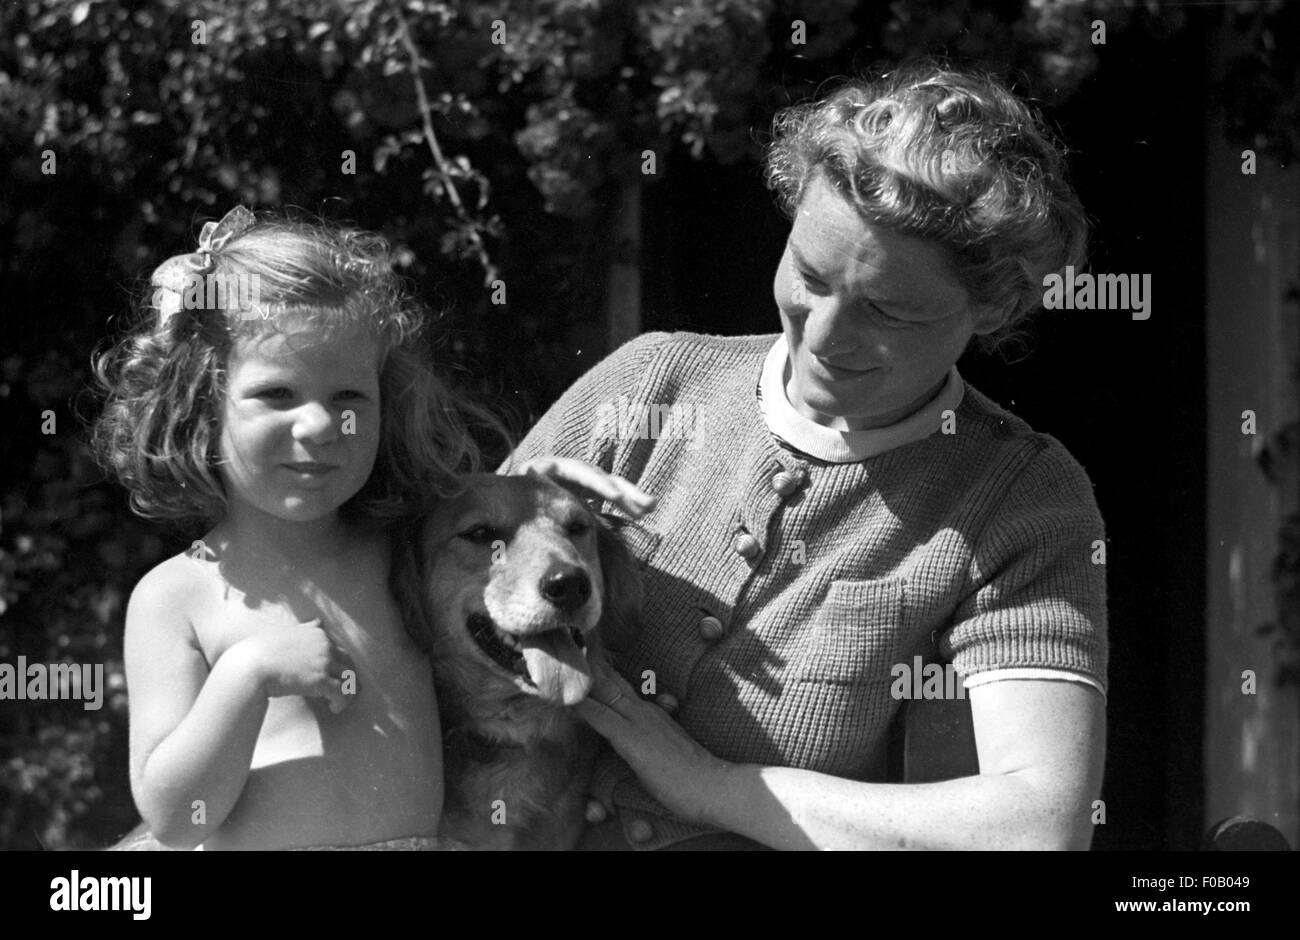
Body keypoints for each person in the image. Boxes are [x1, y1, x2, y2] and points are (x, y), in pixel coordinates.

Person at [507, 64, 1108, 850]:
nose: (822, 336)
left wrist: (713, 787)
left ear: (990, 308)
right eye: (810, 275)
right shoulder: (652, 382)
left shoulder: (1018, 501)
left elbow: (1037, 825)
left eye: (885, 309)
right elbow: (412, 611)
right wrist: (504, 525)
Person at [93, 209, 497, 849]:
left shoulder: (407, 552)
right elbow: (174, 817)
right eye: (277, 394)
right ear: (202, 405)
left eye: (348, 398)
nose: (318, 426)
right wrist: (246, 676)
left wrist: (541, 487)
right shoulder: (175, 597)